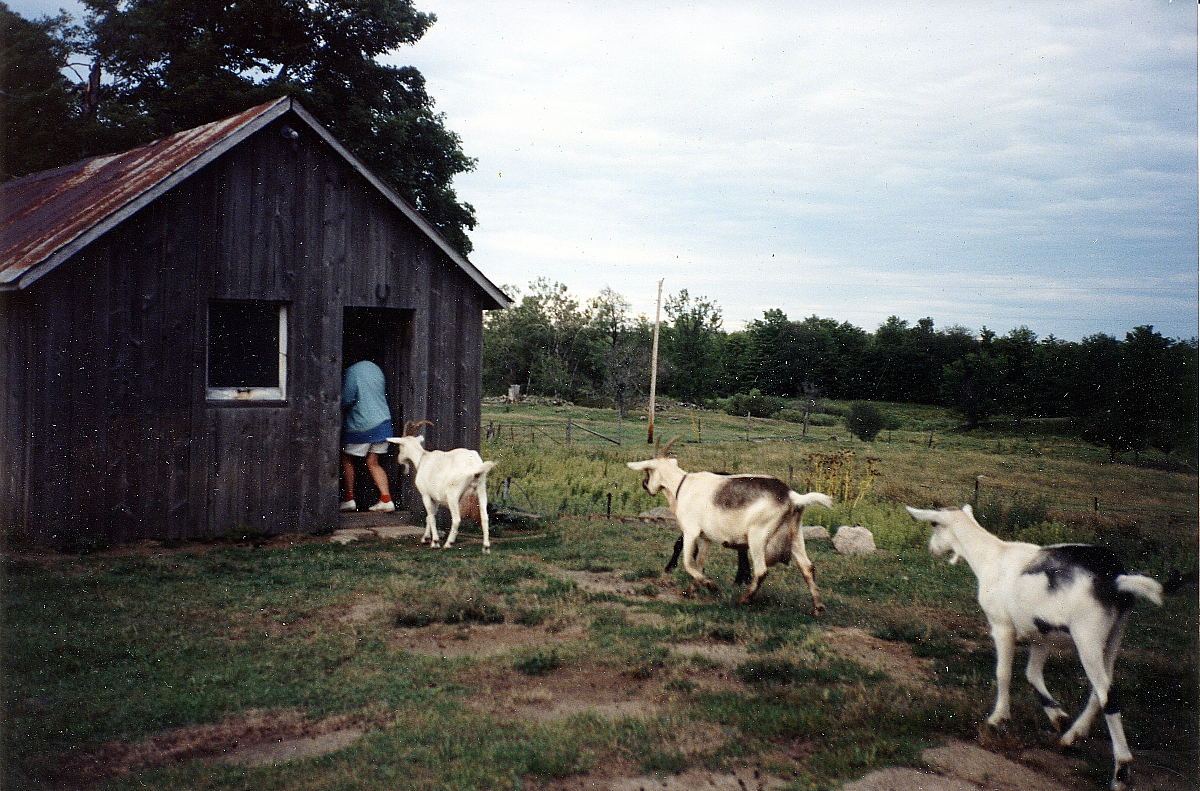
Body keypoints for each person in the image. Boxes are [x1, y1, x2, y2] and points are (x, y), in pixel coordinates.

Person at [340, 359, 395, 512]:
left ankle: (349, 499)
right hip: (383, 423)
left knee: (346, 459)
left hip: (363, 424)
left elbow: (347, 398)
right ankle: (386, 499)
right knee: (373, 462)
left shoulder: (352, 371)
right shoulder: (376, 368)